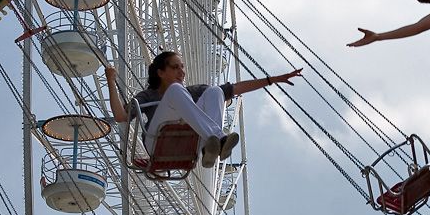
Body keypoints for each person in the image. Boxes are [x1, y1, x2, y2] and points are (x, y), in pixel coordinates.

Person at [106, 51, 303, 168]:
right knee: (176, 90)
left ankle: (212, 145)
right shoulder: (148, 96)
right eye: (175, 67)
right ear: (161, 72)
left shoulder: (194, 91)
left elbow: (236, 88)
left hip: (189, 143)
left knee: (215, 91)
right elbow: (121, 116)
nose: (182, 72)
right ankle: (217, 139)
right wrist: (111, 81)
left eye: (182, 67)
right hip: (157, 142)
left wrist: (271, 80)